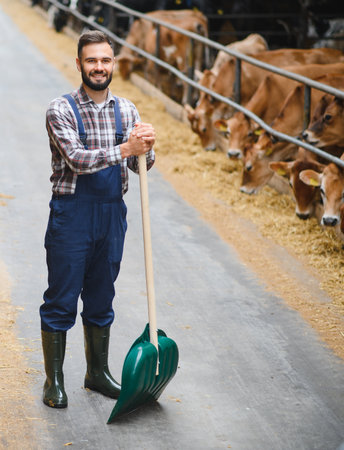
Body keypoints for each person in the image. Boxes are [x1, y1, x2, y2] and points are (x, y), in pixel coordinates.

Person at [40, 30, 156, 408]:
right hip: (71, 216)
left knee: (102, 297)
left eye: (105, 60)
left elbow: (142, 166)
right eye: (91, 60)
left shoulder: (127, 110)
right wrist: (126, 147)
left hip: (111, 216)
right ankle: (54, 380)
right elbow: (76, 159)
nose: (99, 67)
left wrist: (147, 147)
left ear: (113, 64)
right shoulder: (60, 109)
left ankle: (96, 373)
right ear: (79, 64)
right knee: (61, 299)